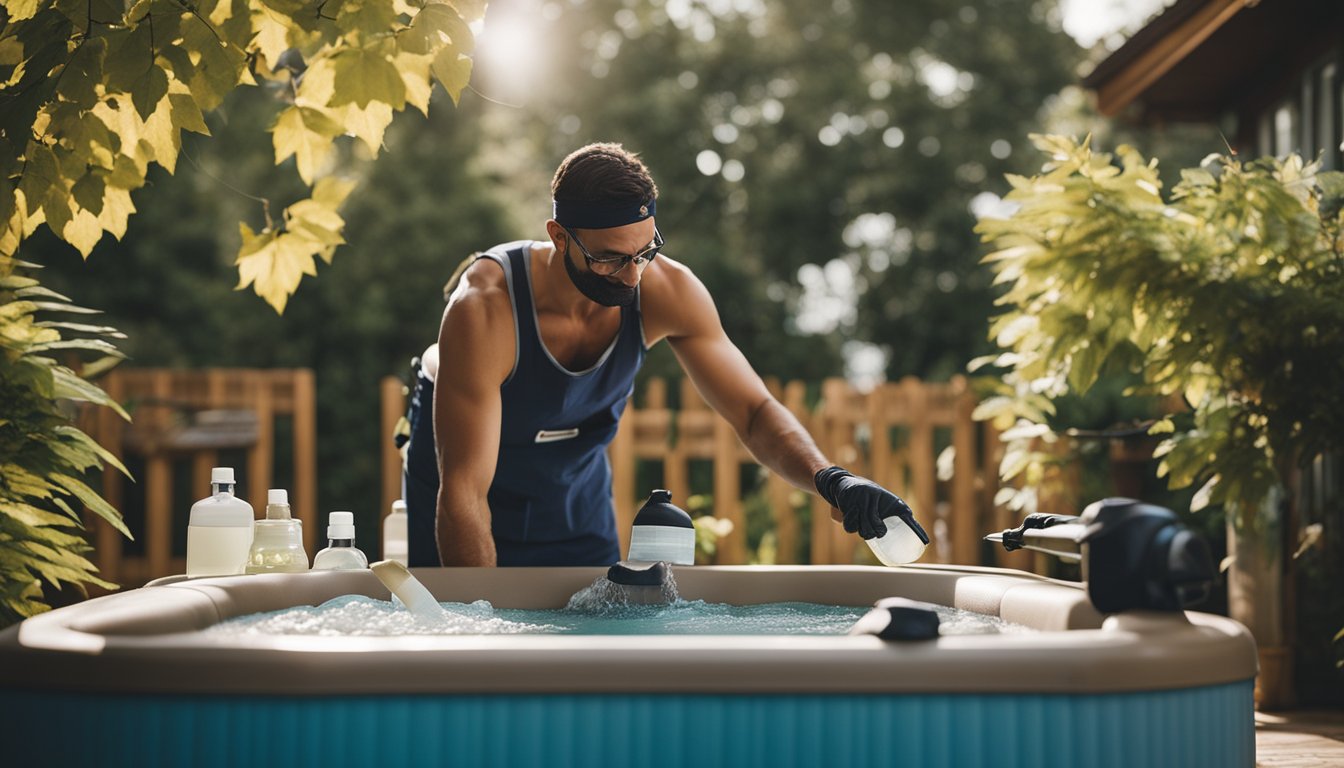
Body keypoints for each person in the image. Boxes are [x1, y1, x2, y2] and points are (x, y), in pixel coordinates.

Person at [404, 143, 927, 567]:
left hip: (572, 502)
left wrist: (832, 480)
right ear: (559, 237)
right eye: (610, 260)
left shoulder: (666, 288)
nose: (632, 277)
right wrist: (478, 631)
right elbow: (465, 495)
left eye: (644, 252)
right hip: (462, 503)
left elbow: (753, 410)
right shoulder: (486, 309)